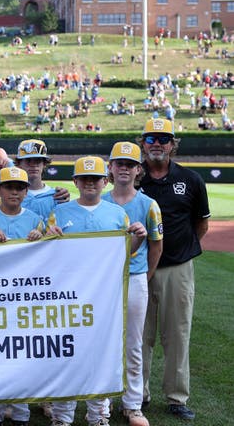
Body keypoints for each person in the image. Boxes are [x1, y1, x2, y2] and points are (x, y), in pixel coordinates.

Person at [47, 156, 147, 426]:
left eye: (96, 179)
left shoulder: (117, 214)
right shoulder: (60, 212)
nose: (90, 183)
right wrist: (47, 236)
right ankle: (62, 416)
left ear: (106, 181)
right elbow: (46, 254)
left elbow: (125, 253)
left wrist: (137, 237)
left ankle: (99, 415)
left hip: (104, 296)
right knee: (66, 354)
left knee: (102, 355)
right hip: (68, 295)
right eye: (84, 179)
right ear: (75, 182)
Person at [138, 119, 210, 421]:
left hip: (177, 267)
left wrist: (178, 249)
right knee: (139, 336)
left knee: (177, 334)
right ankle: (136, 395)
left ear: (173, 144)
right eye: (152, 138)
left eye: (164, 139)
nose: (157, 143)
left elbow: (201, 225)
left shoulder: (191, 179)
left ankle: (176, 397)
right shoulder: (131, 176)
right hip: (138, 267)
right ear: (143, 142)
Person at [103, 141, 163, 426]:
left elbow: (156, 246)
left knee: (133, 343)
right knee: (103, 340)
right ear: (110, 168)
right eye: (119, 164)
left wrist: (145, 276)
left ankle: (132, 404)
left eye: (130, 164)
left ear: (139, 170)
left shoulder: (149, 204)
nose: (124, 168)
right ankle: (103, 399)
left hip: (136, 277)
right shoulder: (99, 202)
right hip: (102, 281)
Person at [0, 167, 44, 426]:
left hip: (25, 298)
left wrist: (43, 238)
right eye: (8, 187)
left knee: (22, 354)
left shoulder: (36, 219)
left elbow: (50, 256)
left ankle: (21, 413)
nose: (14, 192)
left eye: (19, 187)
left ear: (27, 192)